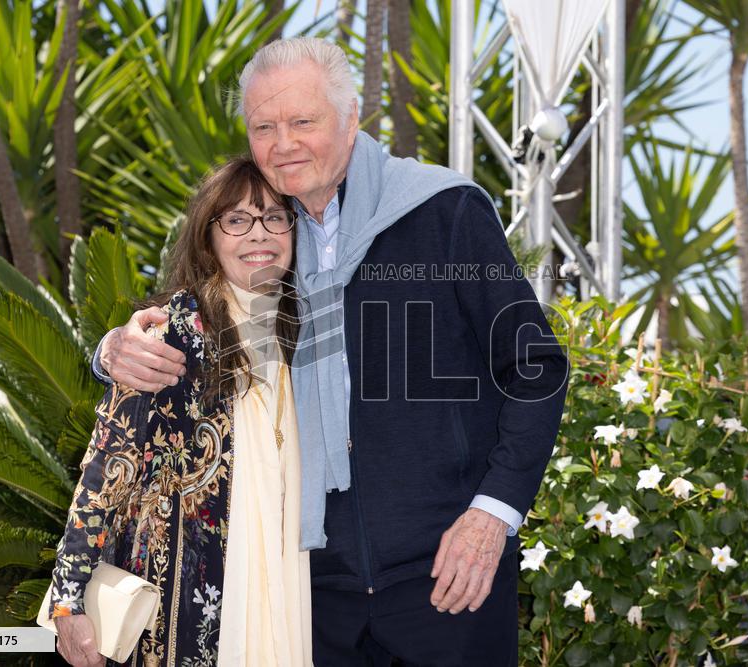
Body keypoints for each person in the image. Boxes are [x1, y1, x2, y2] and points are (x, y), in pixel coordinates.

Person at [94, 38, 569, 666]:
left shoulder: (442, 211)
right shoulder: (262, 234)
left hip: (448, 573)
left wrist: (493, 515)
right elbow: (192, 327)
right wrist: (113, 352)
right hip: (312, 595)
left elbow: (535, 366)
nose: (282, 143)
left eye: (302, 121)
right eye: (264, 127)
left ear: (351, 121)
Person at [48, 157, 313, 666]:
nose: (259, 234)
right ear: (208, 238)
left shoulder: (304, 330)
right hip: (183, 594)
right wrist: (67, 599)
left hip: (288, 575)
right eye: (237, 220)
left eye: (275, 217)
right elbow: (110, 462)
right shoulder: (173, 330)